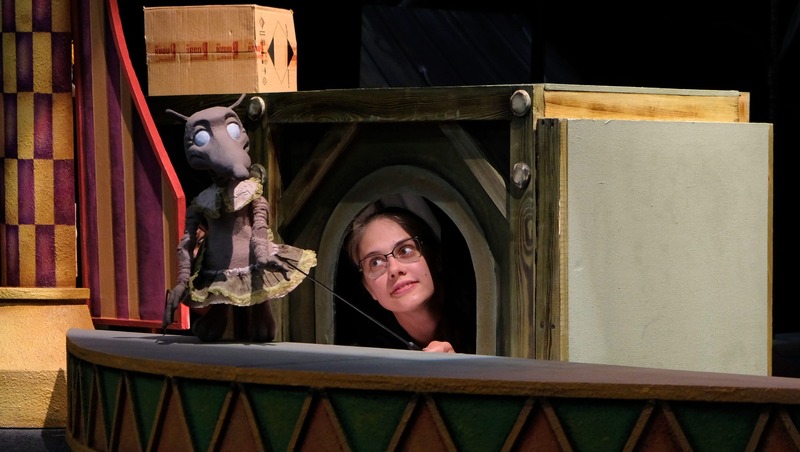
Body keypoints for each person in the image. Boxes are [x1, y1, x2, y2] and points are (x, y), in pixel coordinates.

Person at [343, 205, 474, 353]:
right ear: (369, 289)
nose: (394, 269)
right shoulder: (367, 351)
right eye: (376, 263)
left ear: (435, 258)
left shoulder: (482, 316)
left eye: (405, 250)